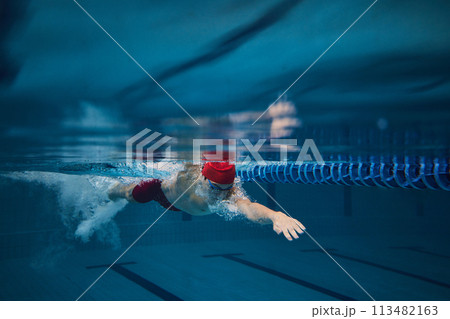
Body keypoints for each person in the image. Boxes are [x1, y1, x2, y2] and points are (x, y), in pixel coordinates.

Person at [108, 162, 305, 241]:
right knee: (129, 196)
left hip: (177, 207)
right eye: (215, 188)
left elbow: (249, 209)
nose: (221, 195)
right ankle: (105, 188)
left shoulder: (229, 192)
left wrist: (274, 215)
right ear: (204, 179)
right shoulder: (189, 174)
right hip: (160, 190)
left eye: (226, 189)